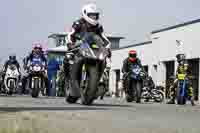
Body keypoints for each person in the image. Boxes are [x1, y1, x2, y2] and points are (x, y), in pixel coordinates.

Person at [64, 3, 111, 98]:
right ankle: (68, 79)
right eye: (91, 15)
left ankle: (97, 81)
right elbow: (70, 34)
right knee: (68, 58)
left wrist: (108, 48)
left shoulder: (98, 26)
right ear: (85, 14)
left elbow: (104, 39)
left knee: (103, 60)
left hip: (93, 50)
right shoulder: (78, 23)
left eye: (95, 15)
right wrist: (70, 44)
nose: (94, 17)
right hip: (79, 48)